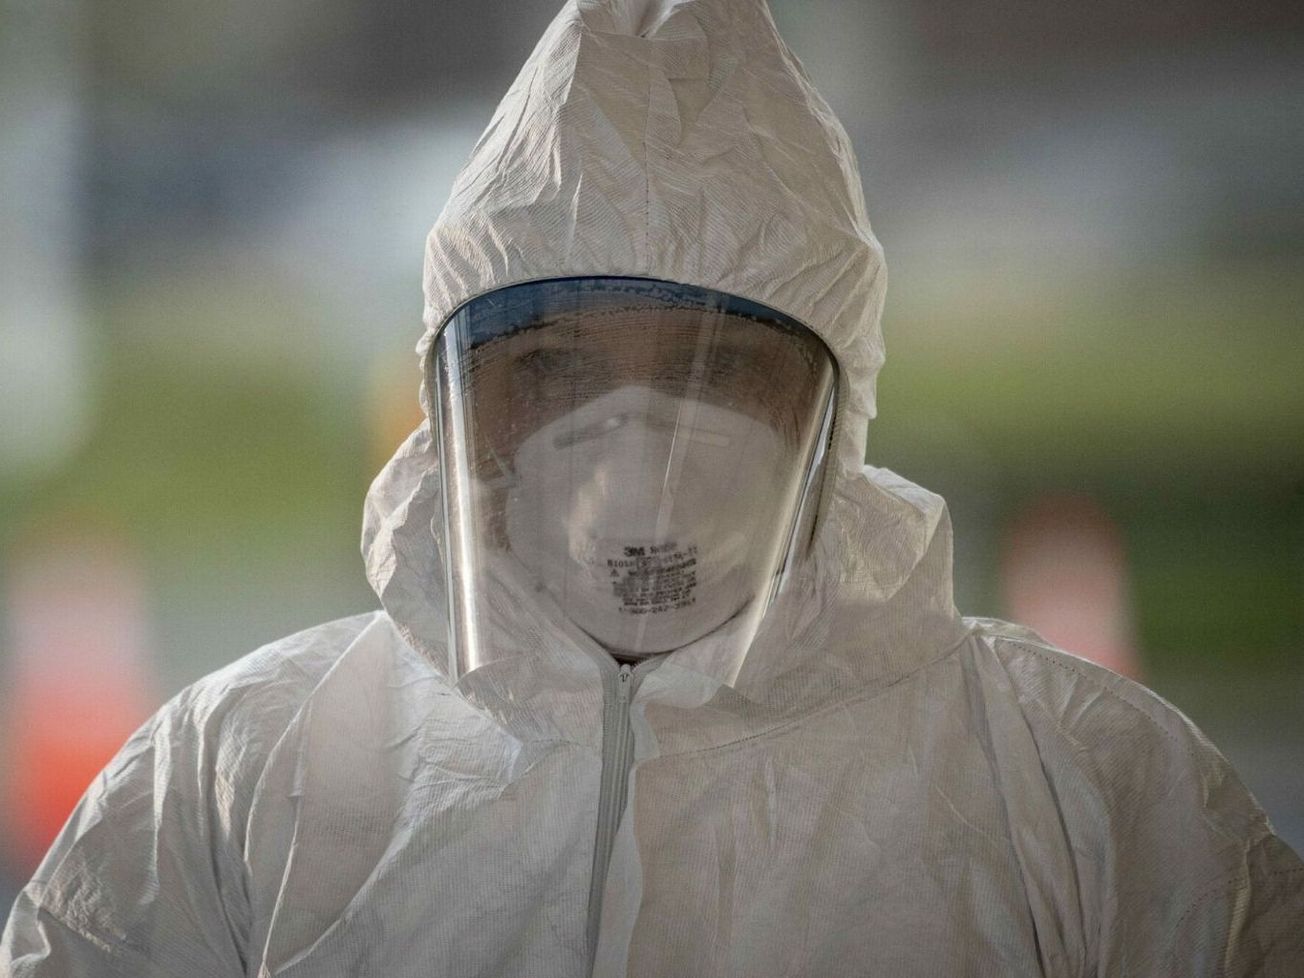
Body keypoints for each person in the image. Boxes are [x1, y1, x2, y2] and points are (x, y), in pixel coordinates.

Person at [4, 0, 1302, 974]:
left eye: (719, 368)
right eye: (556, 363)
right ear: (453, 404)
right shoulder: (238, 780)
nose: (631, 445)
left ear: (831, 402)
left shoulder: (1084, 792)